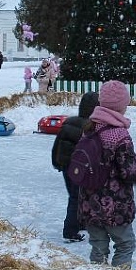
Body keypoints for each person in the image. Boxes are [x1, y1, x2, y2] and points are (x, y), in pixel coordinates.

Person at [78, 80, 136, 268]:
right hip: (115, 206)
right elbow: (128, 171)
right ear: (121, 107)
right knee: (125, 244)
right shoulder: (119, 135)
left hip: (90, 202)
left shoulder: (89, 128)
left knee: (98, 246)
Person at [52, 91, 99, 243]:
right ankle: (70, 231)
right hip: (80, 169)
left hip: (67, 167)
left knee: (76, 196)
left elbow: (57, 146)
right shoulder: (90, 128)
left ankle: (79, 222)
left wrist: (57, 163)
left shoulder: (69, 123)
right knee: (77, 198)